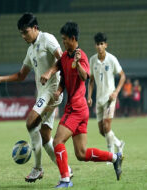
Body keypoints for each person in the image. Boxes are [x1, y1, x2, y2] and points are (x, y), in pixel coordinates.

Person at [0, 13, 72, 182]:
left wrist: (50, 73)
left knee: (30, 123)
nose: (23, 36)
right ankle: (66, 170)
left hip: (52, 90)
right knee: (45, 137)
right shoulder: (30, 50)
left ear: (35, 28)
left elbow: (64, 60)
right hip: (43, 93)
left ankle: (37, 168)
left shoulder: (48, 39)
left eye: (25, 32)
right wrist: (1, 79)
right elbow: (21, 75)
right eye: (21, 33)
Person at [40, 22, 123, 188]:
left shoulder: (81, 56)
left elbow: (85, 77)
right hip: (80, 109)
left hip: (76, 108)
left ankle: (65, 179)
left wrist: (77, 63)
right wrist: (59, 88)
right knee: (81, 153)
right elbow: (62, 71)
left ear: (73, 38)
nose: (63, 42)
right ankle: (115, 157)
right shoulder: (65, 56)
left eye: (64, 39)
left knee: (57, 142)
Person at [87, 32, 125, 158]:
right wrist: (89, 96)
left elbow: (122, 76)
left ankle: (111, 155)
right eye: (97, 44)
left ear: (106, 45)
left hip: (110, 98)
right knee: (102, 131)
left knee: (107, 127)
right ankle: (119, 143)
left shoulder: (112, 59)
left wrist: (116, 92)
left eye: (101, 44)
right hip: (99, 99)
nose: (99, 46)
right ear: (95, 46)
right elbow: (91, 80)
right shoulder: (92, 60)